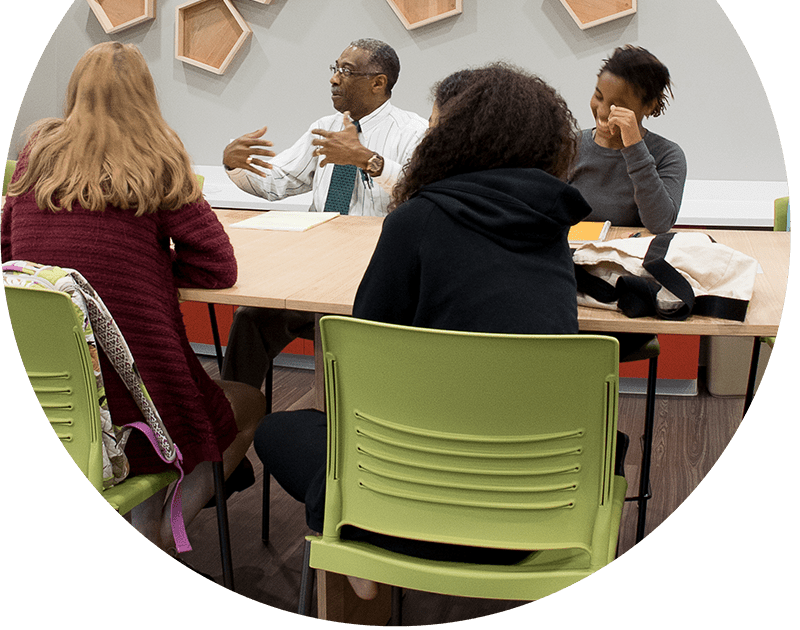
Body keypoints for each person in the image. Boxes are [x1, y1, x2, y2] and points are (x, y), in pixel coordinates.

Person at [254, 63, 627, 600]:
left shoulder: (414, 222)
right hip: (538, 514)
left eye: (434, 130)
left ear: (452, 141)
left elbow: (364, 357)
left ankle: (362, 538)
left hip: (405, 502)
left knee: (280, 430)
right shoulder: (553, 226)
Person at [1, 42, 266, 573]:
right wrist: (147, 270)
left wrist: (129, 265)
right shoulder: (159, 159)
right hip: (138, 400)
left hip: (42, 391)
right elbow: (218, 268)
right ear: (147, 95)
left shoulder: (35, 155)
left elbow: (10, 257)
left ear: (74, 91)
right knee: (244, 405)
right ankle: (156, 536)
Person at [220, 39, 428, 392]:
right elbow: (278, 182)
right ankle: (231, 428)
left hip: (376, 278)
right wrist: (235, 165)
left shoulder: (414, 131)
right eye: (334, 68)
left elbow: (422, 194)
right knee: (250, 320)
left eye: (346, 72)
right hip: (316, 270)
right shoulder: (325, 127)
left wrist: (367, 160)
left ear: (379, 82)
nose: (334, 79)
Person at [568, 45, 686, 234]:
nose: (603, 112)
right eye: (598, 97)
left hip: (629, 259)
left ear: (648, 106)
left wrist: (634, 147)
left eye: (617, 105)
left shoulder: (668, 155)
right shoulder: (570, 146)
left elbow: (659, 223)